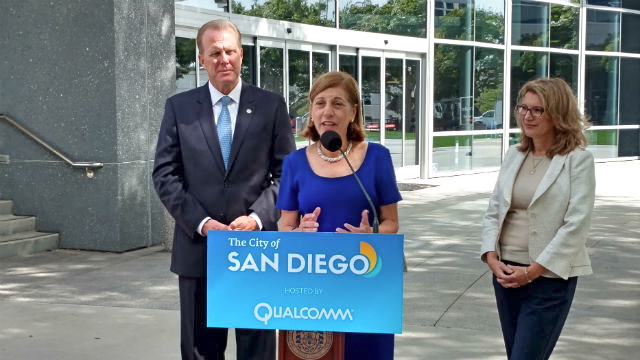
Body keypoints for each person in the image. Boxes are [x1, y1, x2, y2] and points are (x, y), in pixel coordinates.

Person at [152, 19, 295, 360]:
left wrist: (258, 218)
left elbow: (287, 174)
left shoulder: (271, 106)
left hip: (256, 255)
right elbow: (165, 173)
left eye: (230, 51)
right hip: (199, 251)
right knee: (201, 351)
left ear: (242, 55)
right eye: (215, 52)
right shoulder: (179, 108)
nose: (224, 59)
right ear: (201, 59)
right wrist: (202, 222)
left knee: (257, 352)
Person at [276, 71, 402, 359]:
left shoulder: (378, 157)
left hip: (367, 283)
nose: (327, 112)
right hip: (311, 291)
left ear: (353, 111)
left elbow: (391, 223)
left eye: (337, 103)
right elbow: (285, 226)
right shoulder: (294, 163)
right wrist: (298, 232)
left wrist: (371, 235)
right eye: (319, 103)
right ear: (311, 110)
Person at [480, 77, 595, 360]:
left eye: (537, 110)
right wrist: (491, 257)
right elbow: (495, 209)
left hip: (548, 278)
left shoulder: (577, 160)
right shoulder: (514, 154)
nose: (527, 116)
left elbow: (576, 225)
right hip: (506, 274)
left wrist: (532, 272)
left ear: (557, 114)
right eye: (523, 108)